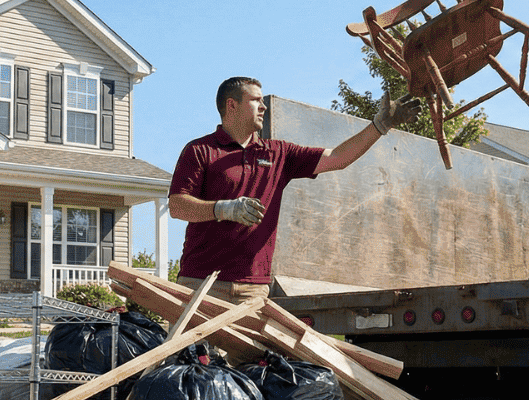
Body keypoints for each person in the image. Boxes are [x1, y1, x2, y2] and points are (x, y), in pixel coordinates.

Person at [168, 76, 419, 304]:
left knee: (254, 357)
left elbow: (338, 158)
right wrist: (225, 208)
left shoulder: (278, 153)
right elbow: (177, 206)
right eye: (255, 100)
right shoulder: (200, 150)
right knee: (193, 357)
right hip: (200, 284)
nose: (263, 106)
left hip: (253, 290)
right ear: (231, 105)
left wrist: (379, 126)